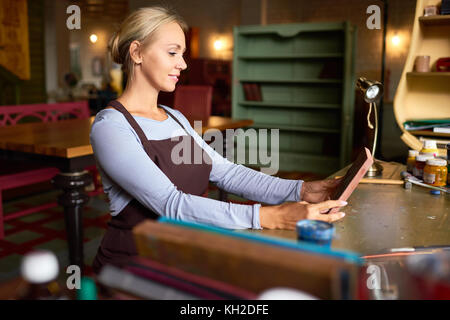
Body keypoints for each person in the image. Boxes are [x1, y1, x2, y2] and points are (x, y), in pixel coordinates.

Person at [90, 7, 347, 274]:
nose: (183, 64)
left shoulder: (175, 117)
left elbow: (227, 173)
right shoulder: (111, 126)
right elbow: (170, 204)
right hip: (133, 272)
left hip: (185, 259)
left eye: (183, 54)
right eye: (172, 52)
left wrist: (301, 190)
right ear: (137, 52)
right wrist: (271, 216)